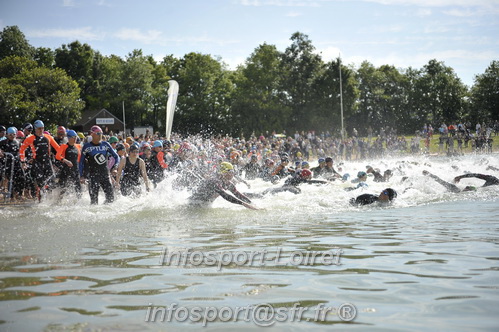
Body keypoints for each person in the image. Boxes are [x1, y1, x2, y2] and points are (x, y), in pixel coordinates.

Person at [189, 162, 258, 210]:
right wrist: (243, 204)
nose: (232, 174)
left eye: (233, 172)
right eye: (230, 172)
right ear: (223, 173)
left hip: (203, 205)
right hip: (193, 204)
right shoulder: (214, 181)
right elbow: (225, 195)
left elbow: (238, 195)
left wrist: (252, 203)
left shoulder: (228, 184)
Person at [19, 120, 60, 201]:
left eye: (42, 128)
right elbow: (21, 150)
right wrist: (23, 162)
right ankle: (40, 200)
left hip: (47, 162)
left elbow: (58, 148)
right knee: (41, 182)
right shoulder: (30, 138)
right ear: (35, 128)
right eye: (39, 129)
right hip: (37, 162)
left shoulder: (48, 137)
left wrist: (63, 158)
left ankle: (48, 198)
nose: (41, 130)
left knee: (51, 180)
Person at [79, 125, 119, 204]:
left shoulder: (105, 145)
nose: (100, 135)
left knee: (111, 199)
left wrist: (115, 167)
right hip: (93, 176)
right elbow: (81, 162)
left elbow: (116, 156)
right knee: (94, 202)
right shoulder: (87, 147)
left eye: (101, 133)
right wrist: (81, 176)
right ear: (92, 134)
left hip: (105, 175)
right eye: (98, 133)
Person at [55, 130, 81, 198]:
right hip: (66, 170)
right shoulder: (64, 146)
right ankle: (58, 202)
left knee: (78, 188)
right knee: (63, 188)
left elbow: (79, 158)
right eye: (73, 137)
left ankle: (79, 202)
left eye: (76, 137)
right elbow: (57, 156)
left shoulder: (78, 146)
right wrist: (66, 161)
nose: (75, 138)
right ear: (69, 138)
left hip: (75, 170)